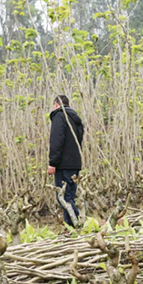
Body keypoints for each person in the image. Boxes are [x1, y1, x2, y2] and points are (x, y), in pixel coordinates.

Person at [47, 95, 84, 228]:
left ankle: (75, 225)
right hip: (75, 162)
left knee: (63, 197)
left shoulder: (59, 116)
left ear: (56, 104)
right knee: (70, 195)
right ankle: (71, 226)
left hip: (63, 164)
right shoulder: (75, 119)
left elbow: (56, 140)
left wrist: (53, 162)